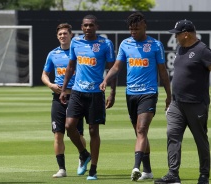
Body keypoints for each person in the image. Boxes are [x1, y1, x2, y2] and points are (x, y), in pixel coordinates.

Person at [100, 12, 171, 181]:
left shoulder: (155, 45)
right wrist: (106, 79)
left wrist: (169, 95)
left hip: (149, 93)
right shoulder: (125, 44)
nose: (133, 32)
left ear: (144, 25)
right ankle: (148, 171)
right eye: (131, 29)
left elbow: (163, 72)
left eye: (136, 29)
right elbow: (117, 67)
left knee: (141, 130)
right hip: (131, 94)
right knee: (140, 133)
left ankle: (136, 167)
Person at [59, 14, 116, 180]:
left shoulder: (105, 44)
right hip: (77, 92)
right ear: (82, 27)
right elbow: (70, 66)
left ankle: (93, 169)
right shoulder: (76, 42)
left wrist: (112, 92)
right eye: (85, 25)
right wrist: (63, 89)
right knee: (69, 126)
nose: (88, 28)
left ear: (96, 26)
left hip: (96, 93)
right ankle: (84, 154)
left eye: (91, 25)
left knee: (93, 130)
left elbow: (113, 69)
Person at [154, 20, 211, 184]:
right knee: (172, 136)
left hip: (196, 104)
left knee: (200, 140)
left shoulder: (203, 51)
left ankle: (204, 175)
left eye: (177, 33)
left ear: (186, 34)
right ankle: (173, 174)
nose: (176, 36)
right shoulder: (180, 49)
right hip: (176, 104)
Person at [41, 23, 86, 178]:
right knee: (57, 134)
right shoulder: (52, 54)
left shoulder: (78, 53)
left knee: (78, 133)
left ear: (71, 35)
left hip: (76, 97)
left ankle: (82, 157)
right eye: (60, 34)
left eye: (65, 33)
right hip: (58, 97)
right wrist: (50, 85)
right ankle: (62, 169)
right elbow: (44, 75)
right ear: (57, 36)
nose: (62, 36)